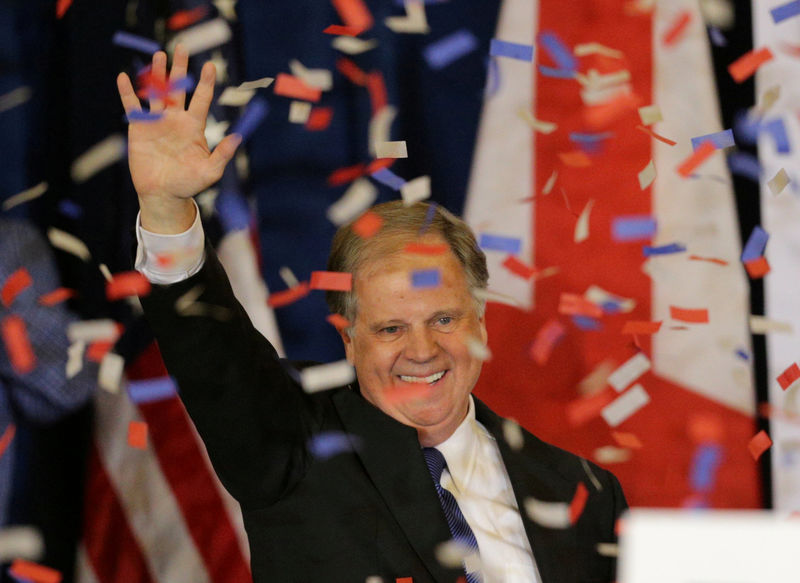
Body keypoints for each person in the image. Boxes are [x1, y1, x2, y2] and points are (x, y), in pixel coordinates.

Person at [120, 47, 626, 583]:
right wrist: (167, 212)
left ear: (480, 321)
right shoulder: (293, 449)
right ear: (348, 335)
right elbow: (217, 362)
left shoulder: (582, 492)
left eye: (444, 320)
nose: (423, 350)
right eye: (390, 328)